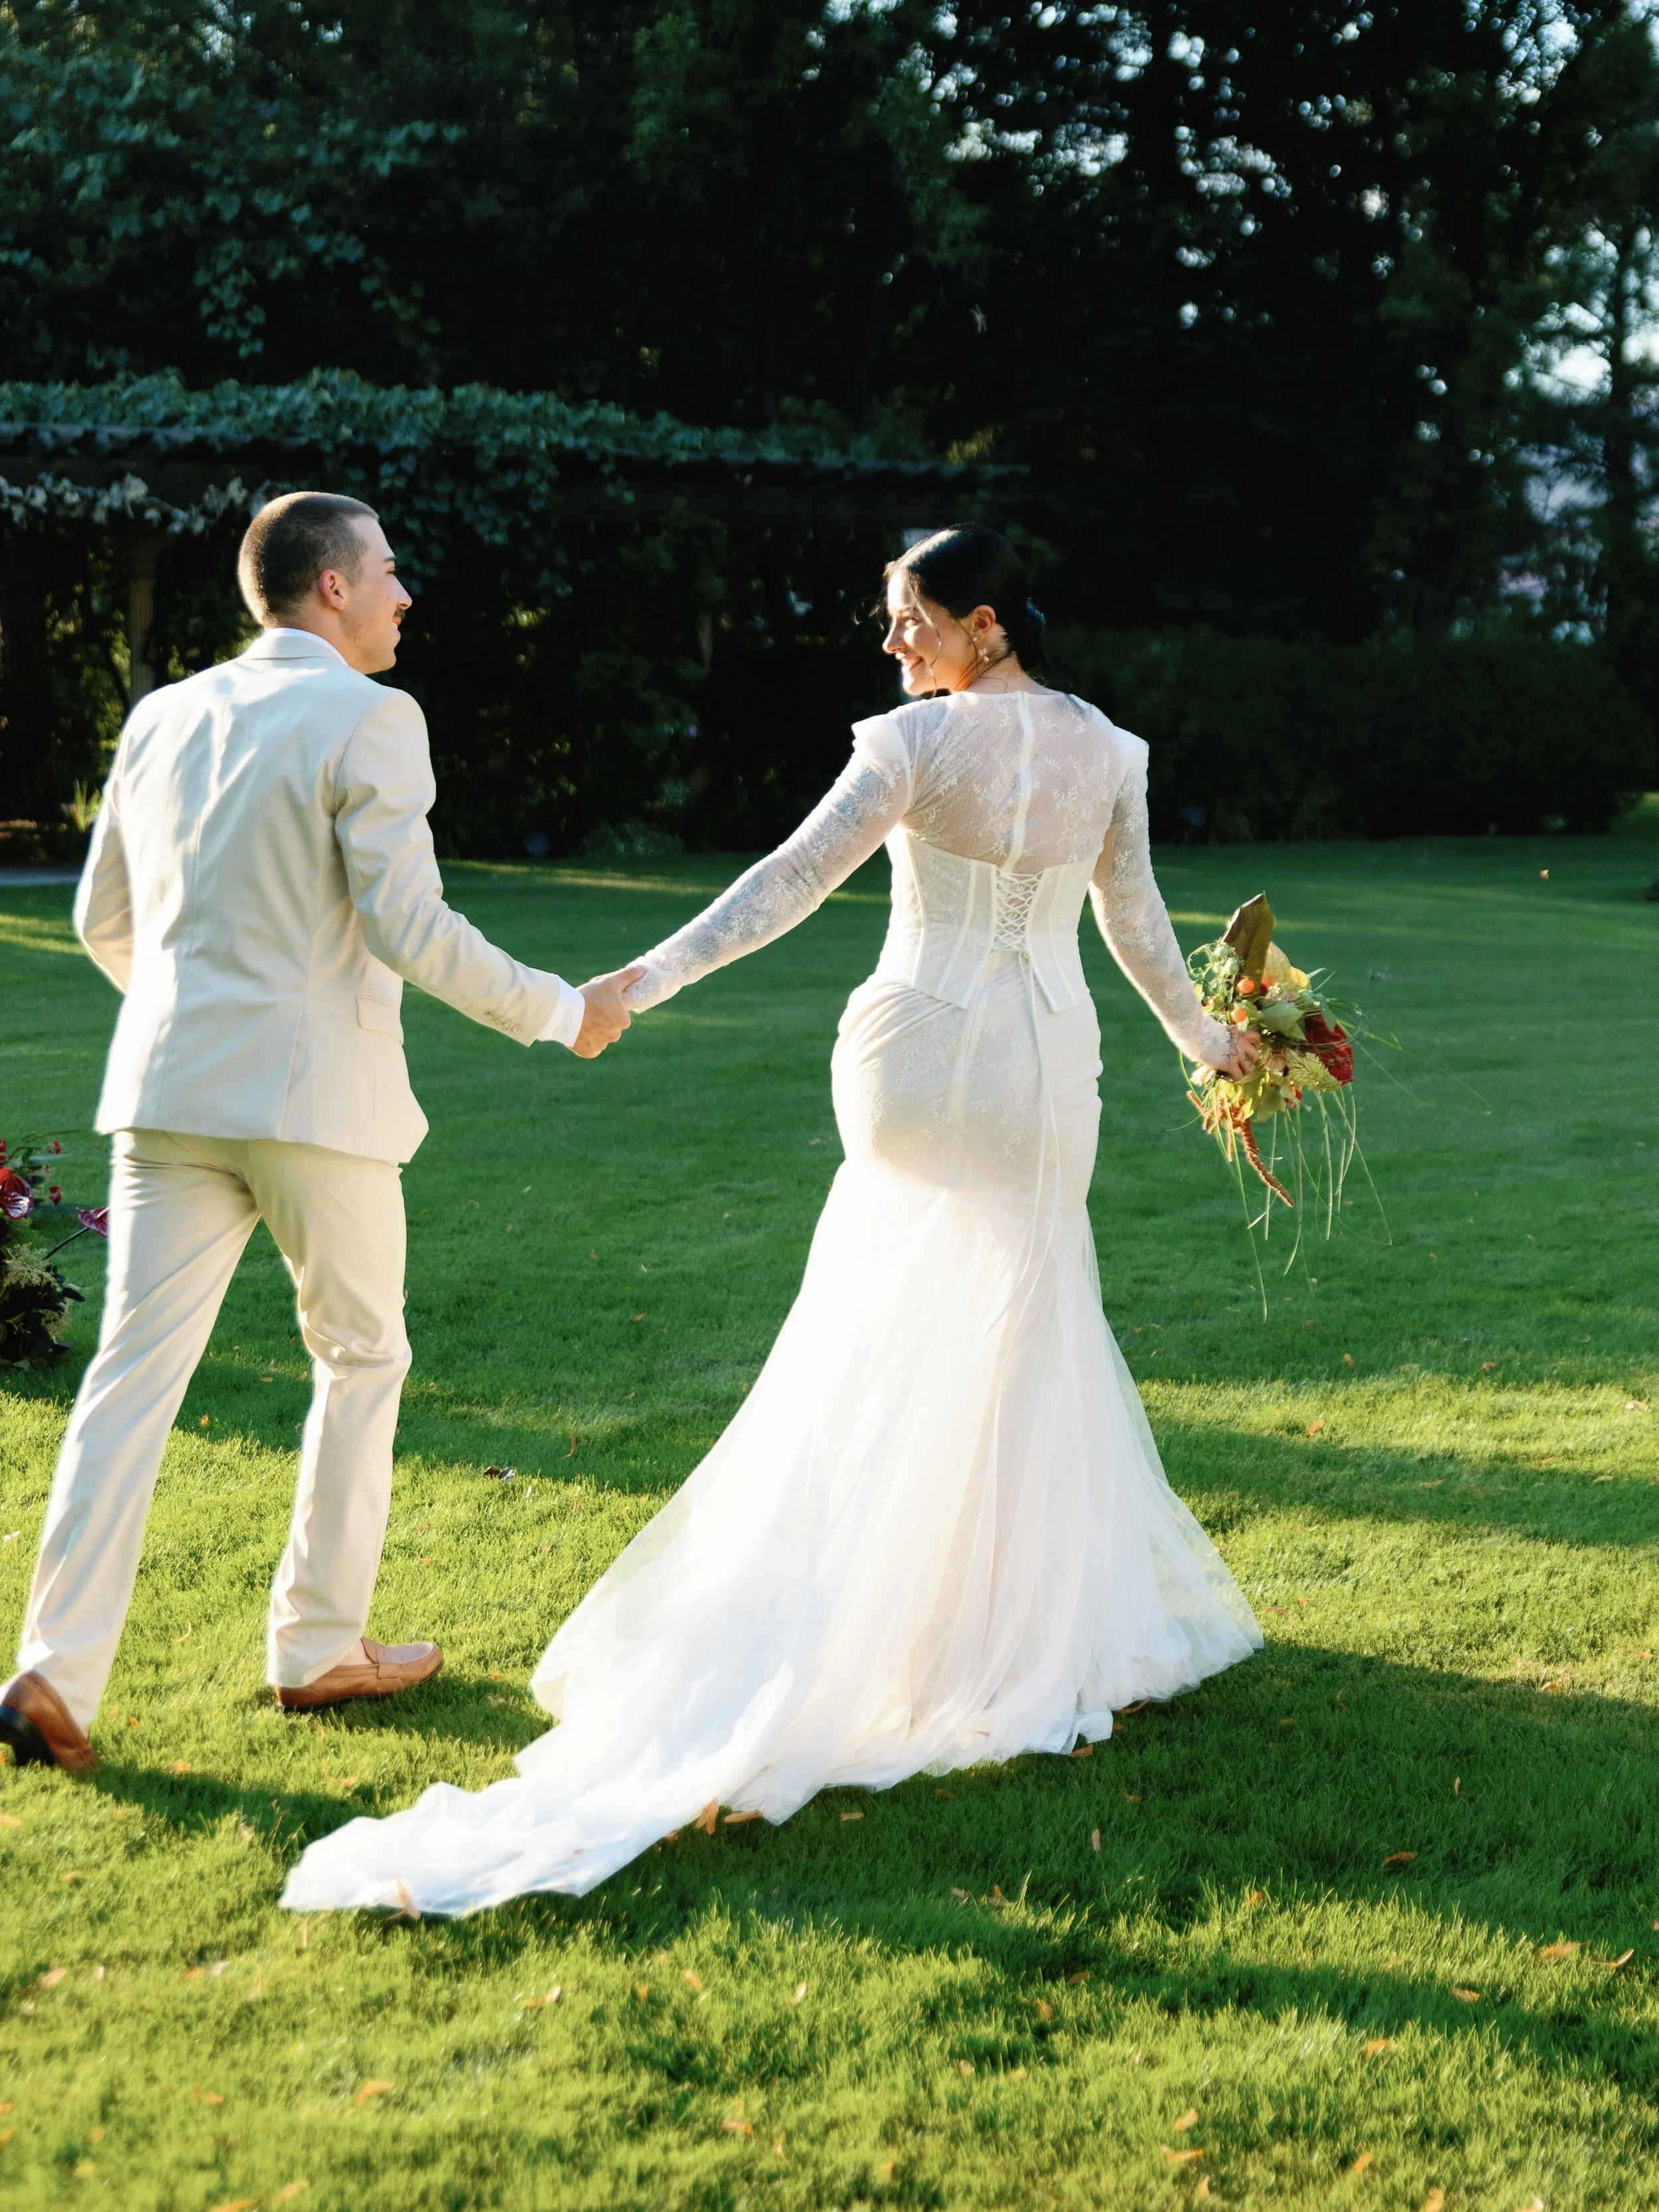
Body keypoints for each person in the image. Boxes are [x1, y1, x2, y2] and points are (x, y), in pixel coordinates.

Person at [281, 524, 1264, 1916]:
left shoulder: (913, 751)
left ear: (982, 625)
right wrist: (1205, 1041)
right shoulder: (1111, 750)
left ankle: (889, 1610)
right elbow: (1138, 926)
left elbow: (790, 882)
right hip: (1051, 1064)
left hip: (919, 1050)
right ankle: (1000, 1629)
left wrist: (640, 979)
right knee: (1022, 1317)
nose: (888, 643)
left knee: (881, 1318)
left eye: (906, 619)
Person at [0, 492, 639, 1774]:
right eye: (390, 571)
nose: (406, 595)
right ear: (331, 588)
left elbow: (101, 923)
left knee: (129, 1382)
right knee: (361, 1357)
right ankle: (315, 1646)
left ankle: (48, 1675)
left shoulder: (162, 716)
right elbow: (412, 929)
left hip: (169, 1092)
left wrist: (208, 1016)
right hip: (314, 1108)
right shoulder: (372, 717)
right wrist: (564, 1012)